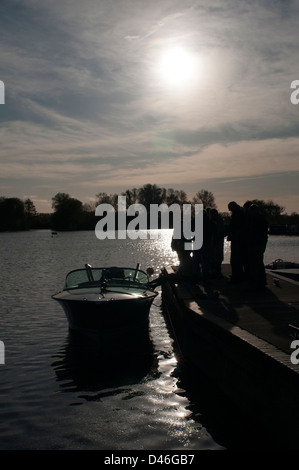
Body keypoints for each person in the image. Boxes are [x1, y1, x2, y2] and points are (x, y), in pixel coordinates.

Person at [246, 204, 268, 289]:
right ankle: (259, 281)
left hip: (257, 244)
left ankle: (258, 282)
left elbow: (258, 232)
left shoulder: (259, 220)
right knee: (257, 262)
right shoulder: (259, 219)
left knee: (256, 262)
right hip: (257, 243)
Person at [227, 201, 246, 283]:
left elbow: (237, 227)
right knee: (237, 259)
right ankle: (238, 275)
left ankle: (237, 276)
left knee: (235, 260)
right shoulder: (240, 212)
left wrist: (233, 235)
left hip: (237, 240)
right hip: (238, 239)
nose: (230, 211)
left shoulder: (237, 214)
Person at [209, 208, 225, 278]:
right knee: (218, 256)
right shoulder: (220, 220)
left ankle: (215, 271)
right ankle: (217, 271)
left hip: (216, 240)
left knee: (215, 256)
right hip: (219, 240)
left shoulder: (215, 221)